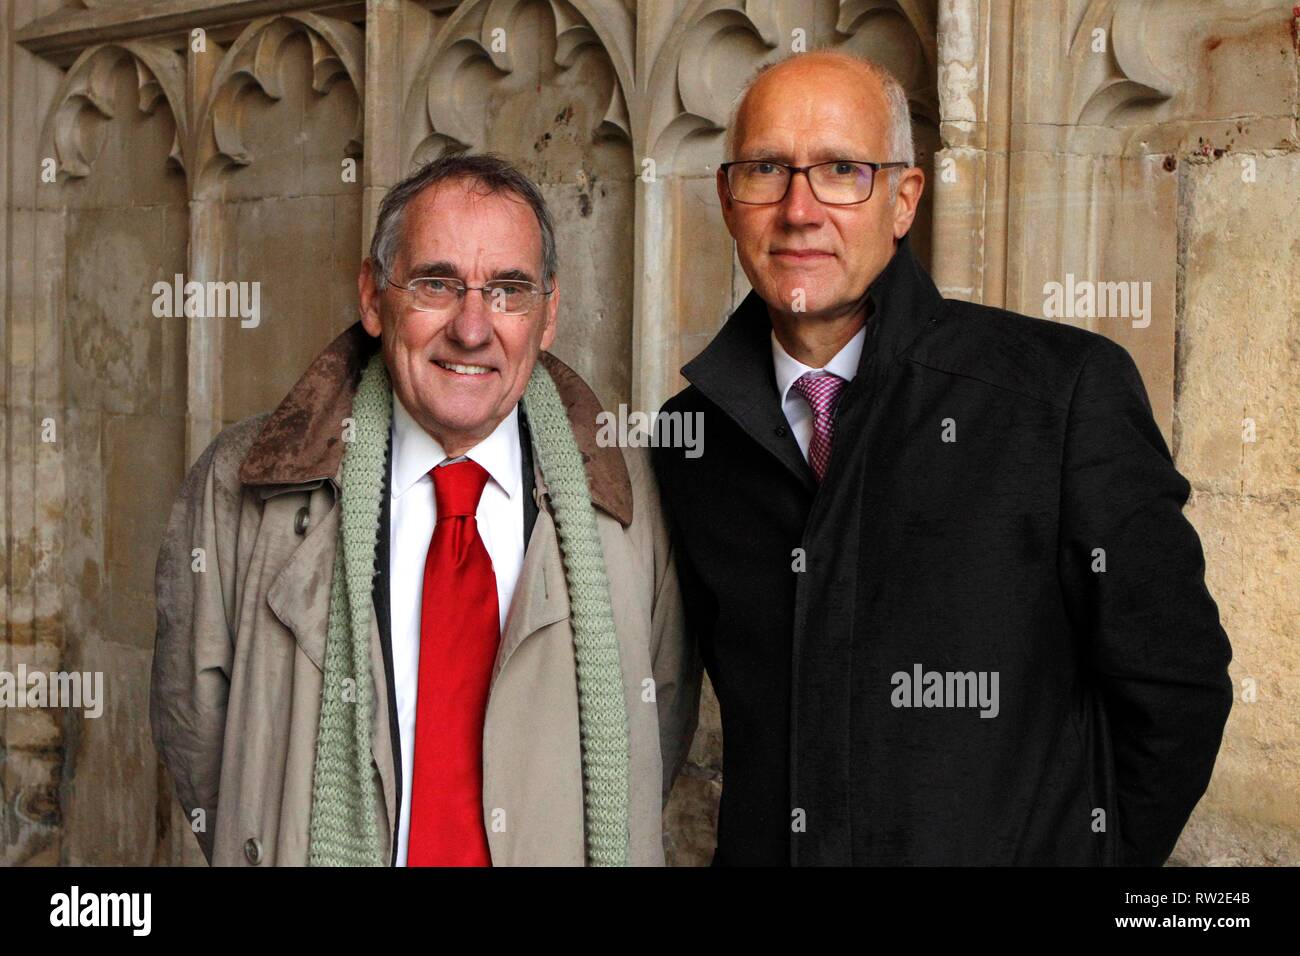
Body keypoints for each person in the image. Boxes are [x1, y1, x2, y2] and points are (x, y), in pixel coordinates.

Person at [652, 51, 1233, 865]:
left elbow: (1176, 688)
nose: (799, 209)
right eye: (767, 169)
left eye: (843, 170)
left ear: (903, 199)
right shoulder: (690, 440)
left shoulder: (1060, 395)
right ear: (727, 196)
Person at [151, 154, 699, 867]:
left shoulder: (630, 496)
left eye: (508, 291)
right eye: (437, 284)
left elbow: (652, 730)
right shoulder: (239, 487)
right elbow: (202, 738)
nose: (472, 329)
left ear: (549, 314)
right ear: (375, 299)